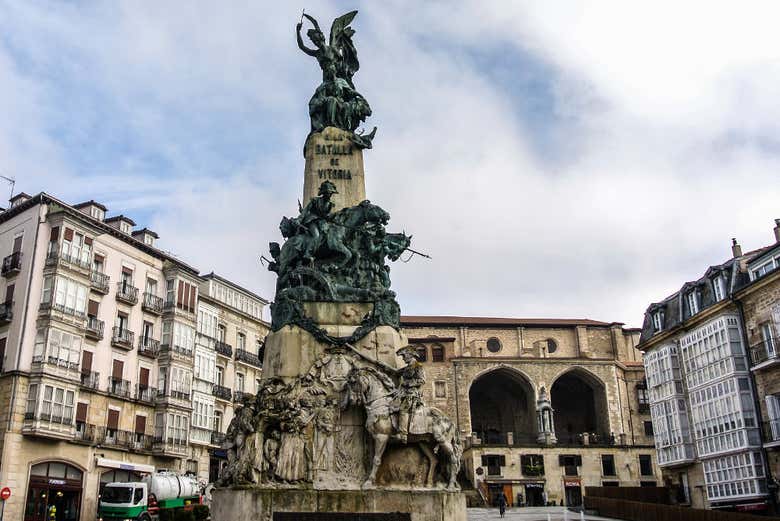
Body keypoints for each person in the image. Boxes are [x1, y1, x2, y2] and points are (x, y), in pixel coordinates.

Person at [392, 345, 426, 443]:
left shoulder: (418, 366)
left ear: (410, 355)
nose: (403, 358)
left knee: (403, 409)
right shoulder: (407, 368)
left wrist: (408, 383)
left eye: (404, 356)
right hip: (403, 392)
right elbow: (395, 372)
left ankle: (403, 434)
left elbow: (422, 380)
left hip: (412, 393)